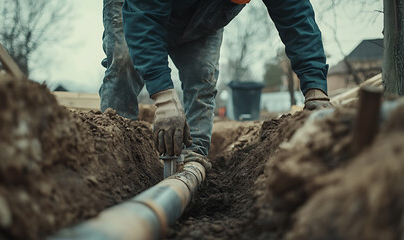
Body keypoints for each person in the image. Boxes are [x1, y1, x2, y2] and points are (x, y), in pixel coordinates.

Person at [100, 0, 331, 169]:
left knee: (203, 79)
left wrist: (316, 90)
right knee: (124, 63)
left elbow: (298, 20)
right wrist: (164, 98)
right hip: (137, 7)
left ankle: (194, 158)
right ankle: (117, 162)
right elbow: (144, 19)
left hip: (205, 17)